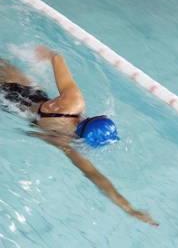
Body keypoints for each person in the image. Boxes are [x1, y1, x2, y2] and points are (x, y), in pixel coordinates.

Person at [0, 46, 159, 226]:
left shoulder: (73, 102)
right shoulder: (65, 143)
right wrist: (128, 208)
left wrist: (48, 54)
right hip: (11, 107)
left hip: (21, 89)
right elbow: (93, 175)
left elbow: (58, 57)